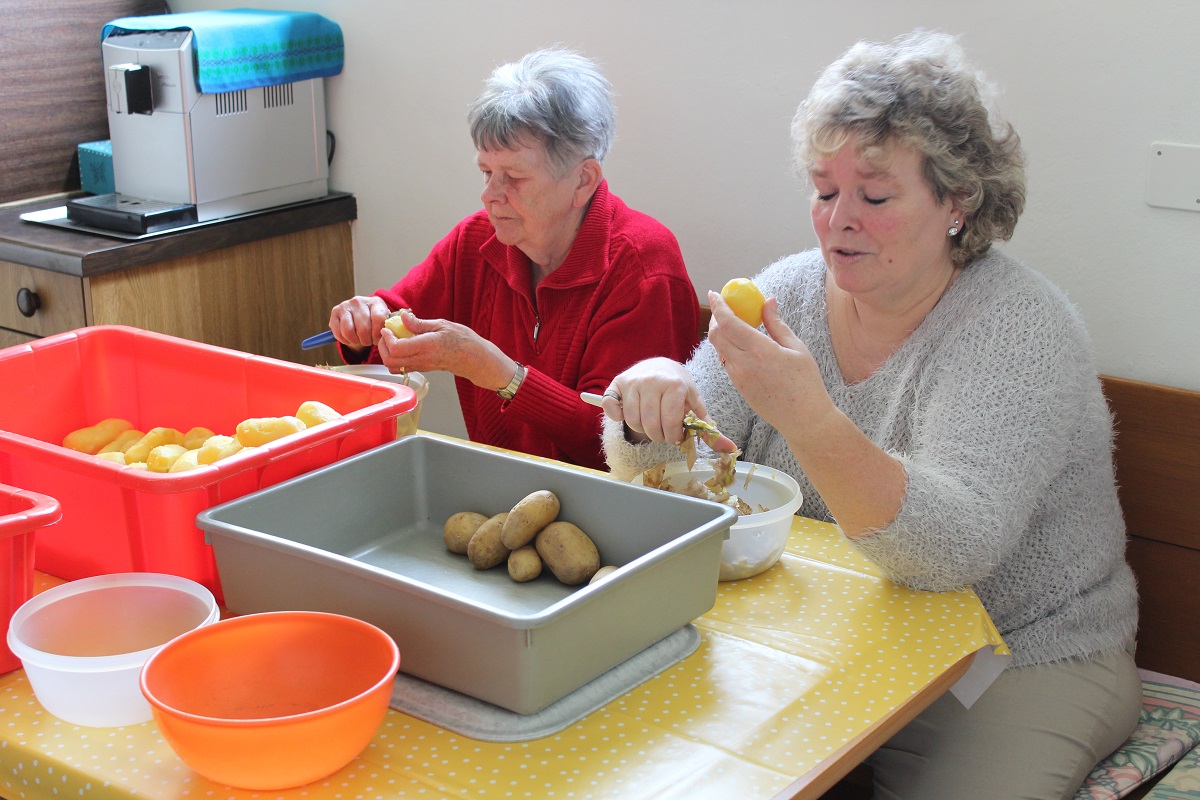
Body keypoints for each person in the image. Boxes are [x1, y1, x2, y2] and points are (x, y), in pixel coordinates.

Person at [599, 30, 1139, 800]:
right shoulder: (785, 292)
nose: (836, 220)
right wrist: (648, 395)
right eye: (823, 190)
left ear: (958, 201)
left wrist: (811, 419)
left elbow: (951, 550)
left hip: (1021, 656)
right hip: (845, 644)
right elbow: (669, 469)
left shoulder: (1021, 329)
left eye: (875, 195)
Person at [327, 47, 700, 470]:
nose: (489, 194)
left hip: (616, 509)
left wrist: (501, 375)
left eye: (515, 178)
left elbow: (620, 449)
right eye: (486, 172)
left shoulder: (644, 267)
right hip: (501, 494)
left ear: (583, 180)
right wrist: (362, 325)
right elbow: (392, 326)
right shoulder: (477, 240)